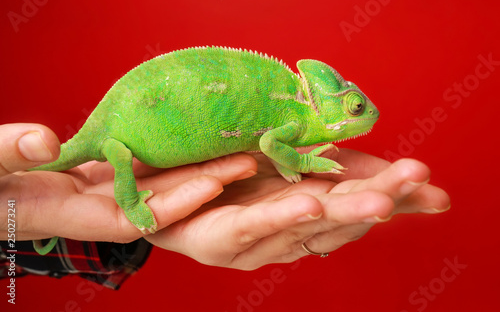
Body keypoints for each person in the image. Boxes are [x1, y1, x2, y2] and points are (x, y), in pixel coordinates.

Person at [0, 123, 450, 289]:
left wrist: (35, 220)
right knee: (116, 153)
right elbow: (274, 142)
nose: (363, 119)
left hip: (123, 151)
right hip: (119, 137)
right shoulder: (292, 116)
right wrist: (306, 161)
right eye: (352, 108)